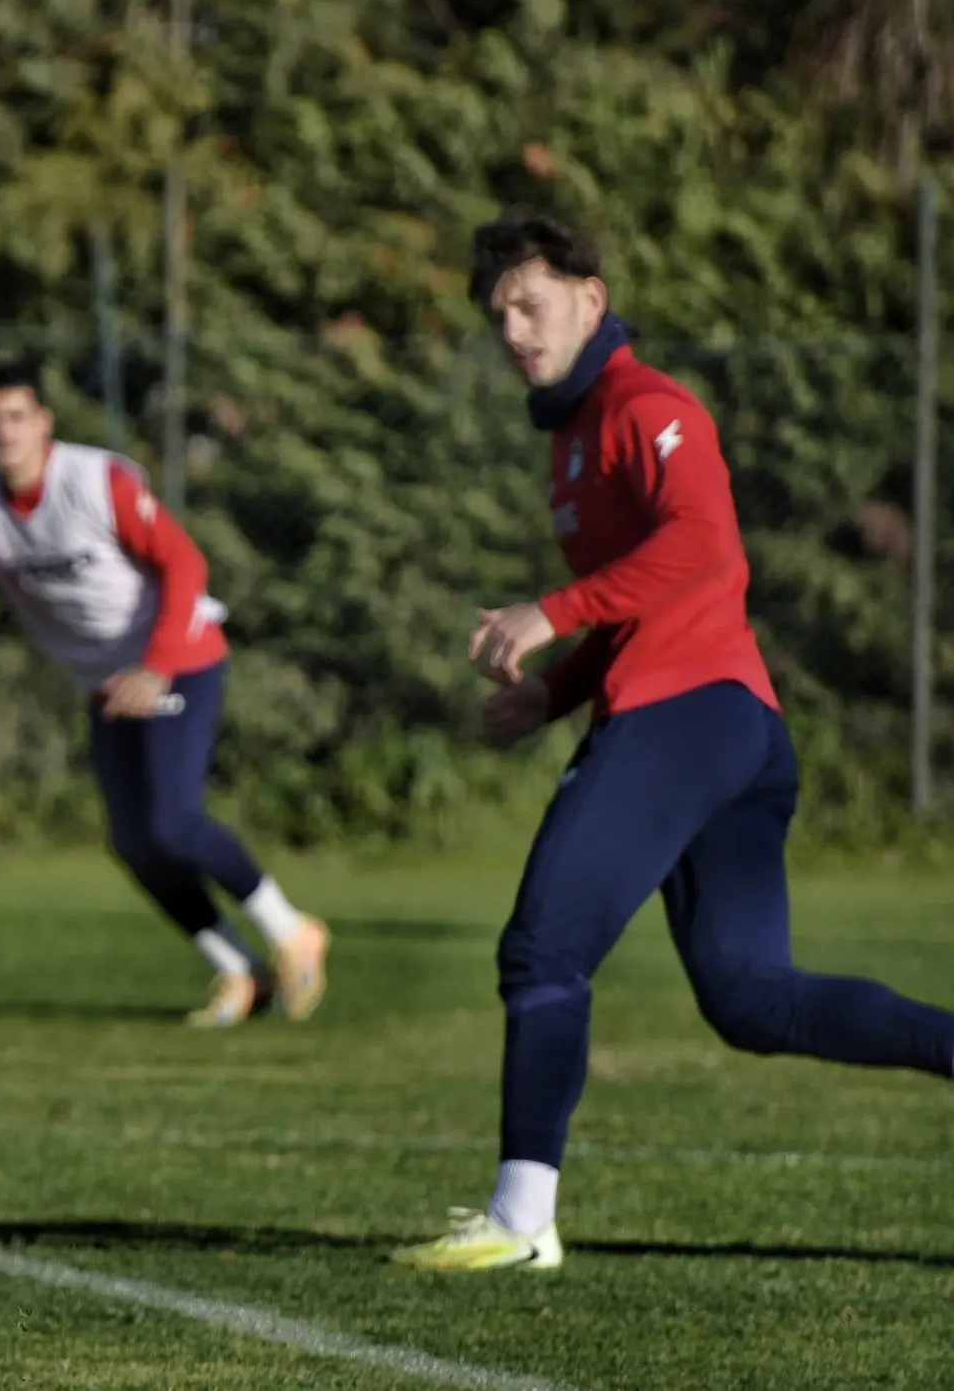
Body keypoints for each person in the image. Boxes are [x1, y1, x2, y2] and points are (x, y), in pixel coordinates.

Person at [394, 209, 954, 1272]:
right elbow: (636, 607)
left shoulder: (647, 404)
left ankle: (519, 1219)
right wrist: (550, 695)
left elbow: (699, 549)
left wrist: (547, 610)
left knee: (542, 946)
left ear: (590, 299)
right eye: (495, 313)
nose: (511, 328)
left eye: (530, 302)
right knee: (749, 997)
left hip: (694, 714)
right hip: (715, 722)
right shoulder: (568, 439)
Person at [0, 366, 328, 1027]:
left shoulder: (94, 481)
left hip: (178, 661)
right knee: (135, 843)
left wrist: (156, 665)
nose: (2, 431)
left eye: (15, 416)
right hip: (106, 685)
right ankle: (239, 970)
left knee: (173, 822)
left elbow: (184, 563)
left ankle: (291, 932)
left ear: (44, 423)